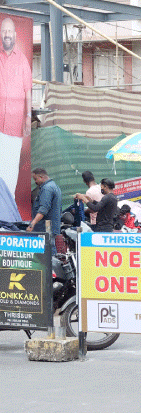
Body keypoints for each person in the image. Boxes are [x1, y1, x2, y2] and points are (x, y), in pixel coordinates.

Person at [0, 16, 32, 201]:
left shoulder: (22, 61)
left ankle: (7, 207)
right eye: (4, 31)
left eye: (9, 31)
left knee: (10, 166)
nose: (7, 34)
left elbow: (28, 92)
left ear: (15, 34)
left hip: (14, 124)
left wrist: (28, 116)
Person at [27, 168, 61, 254]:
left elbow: (43, 209)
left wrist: (32, 224)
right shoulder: (54, 186)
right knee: (49, 245)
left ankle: (51, 266)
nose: (35, 182)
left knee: (48, 248)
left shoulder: (47, 189)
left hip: (47, 225)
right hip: (51, 225)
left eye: (35, 179)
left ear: (41, 177)